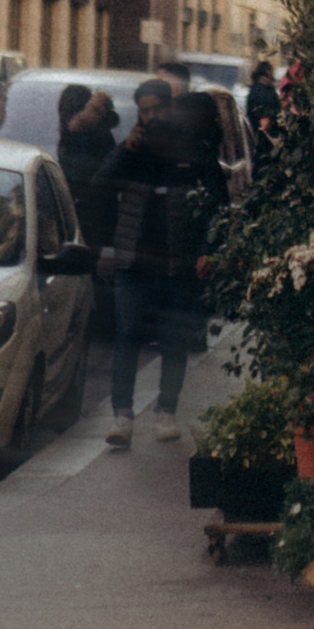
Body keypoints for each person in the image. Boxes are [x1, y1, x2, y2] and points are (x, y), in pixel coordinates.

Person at [100, 85, 222, 449]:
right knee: (127, 333)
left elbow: (217, 204)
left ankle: (166, 410)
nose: (151, 117)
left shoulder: (194, 149)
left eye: (157, 109)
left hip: (177, 262)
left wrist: (208, 249)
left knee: (174, 339)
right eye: (145, 111)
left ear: (170, 107)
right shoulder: (132, 150)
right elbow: (99, 184)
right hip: (133, 262)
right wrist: (125, 151)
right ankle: (122, 415)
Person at [55, 82, 119, 245]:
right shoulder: (93, 133)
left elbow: (80, 177)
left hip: (88, 217)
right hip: (94, 216)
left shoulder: (81, 136)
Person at [243, 59, 280, 147]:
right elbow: (263, 111)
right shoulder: (263, 89)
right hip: (263, 134)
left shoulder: (260, 87)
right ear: (267, 71)